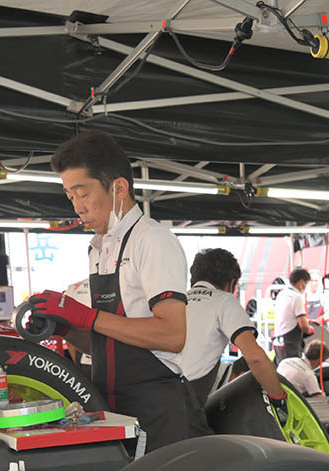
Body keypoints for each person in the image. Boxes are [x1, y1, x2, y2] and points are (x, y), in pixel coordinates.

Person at [24, 130, 209, 452]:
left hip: (155, 408)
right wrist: (66, 328)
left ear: (119, 187)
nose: (77, 207)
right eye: (70, 196)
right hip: (112, 404)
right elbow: (108, 346)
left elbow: (171, 335)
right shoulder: (99, 249)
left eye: (83, 193)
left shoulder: (152, 240)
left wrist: (85, 315)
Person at [181, 248, 288, 420]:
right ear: (231, 283)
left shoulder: (178, 301)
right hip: (185, 400)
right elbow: (255, 357)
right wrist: (280, 399)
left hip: (156, 394)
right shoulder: (223, 300)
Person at [272, 267, 313, 361]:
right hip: (289, 343)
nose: (305, 287)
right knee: (292, 372)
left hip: (278, 342)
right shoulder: (296, 297)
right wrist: (310, 329)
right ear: (301, 282)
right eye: (306, 284)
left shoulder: (282, 294)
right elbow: (303, 325)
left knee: (282, 371)